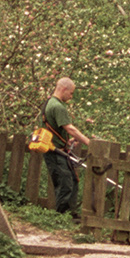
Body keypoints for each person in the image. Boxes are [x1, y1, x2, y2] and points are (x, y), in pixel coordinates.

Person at [42, 77, 91, 215]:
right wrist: (88, 142)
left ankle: (71, 214)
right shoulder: (58, 107)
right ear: (64, 89)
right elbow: (70, 128)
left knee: (73, 180)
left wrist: (66, 142)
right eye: (71, 93)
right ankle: (61, 216)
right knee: (65, 184)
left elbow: (54, 129)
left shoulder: (49, 102)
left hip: (58, 149)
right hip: (55, 152)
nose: (71, 97)